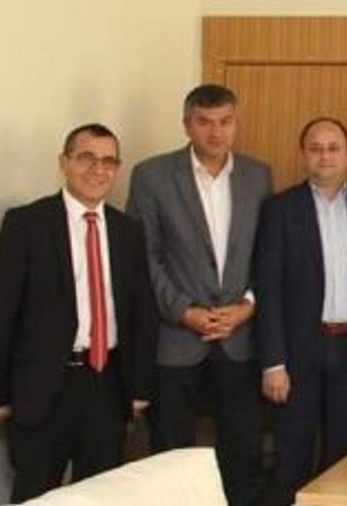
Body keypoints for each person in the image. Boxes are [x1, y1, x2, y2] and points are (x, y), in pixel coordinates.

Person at [127, 84, 272, 506]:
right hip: (176, 339)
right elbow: (144, 255)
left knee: (243, 453)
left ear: (236, 124)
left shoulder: (258, 175)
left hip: (238, 339)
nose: (216, 132)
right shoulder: (151, 175)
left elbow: (266, 253)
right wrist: (182, 310)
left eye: (225, 121)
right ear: (187, 124)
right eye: (204, 122)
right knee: (171, 456)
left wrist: (247, 307)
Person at [0, 124, 158, 502]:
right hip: (43, 387)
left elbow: (141, 312)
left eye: (108, 161)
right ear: (64, 162)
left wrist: (139, 387)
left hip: (107, 385)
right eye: (86, 158)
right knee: (36, 494)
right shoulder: (26, 223)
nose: (98, 170)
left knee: (99, 494)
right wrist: (2, 393)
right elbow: (4, 311)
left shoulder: (128, 230)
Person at [253, 117, 347, 506]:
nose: (325, 156)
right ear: (303, 154)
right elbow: (268, 287)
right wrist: (272, 362)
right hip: (296, 354)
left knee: (346, 459)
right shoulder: (279, 208)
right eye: (316, 148)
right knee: (291, 457)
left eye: (333, 148)